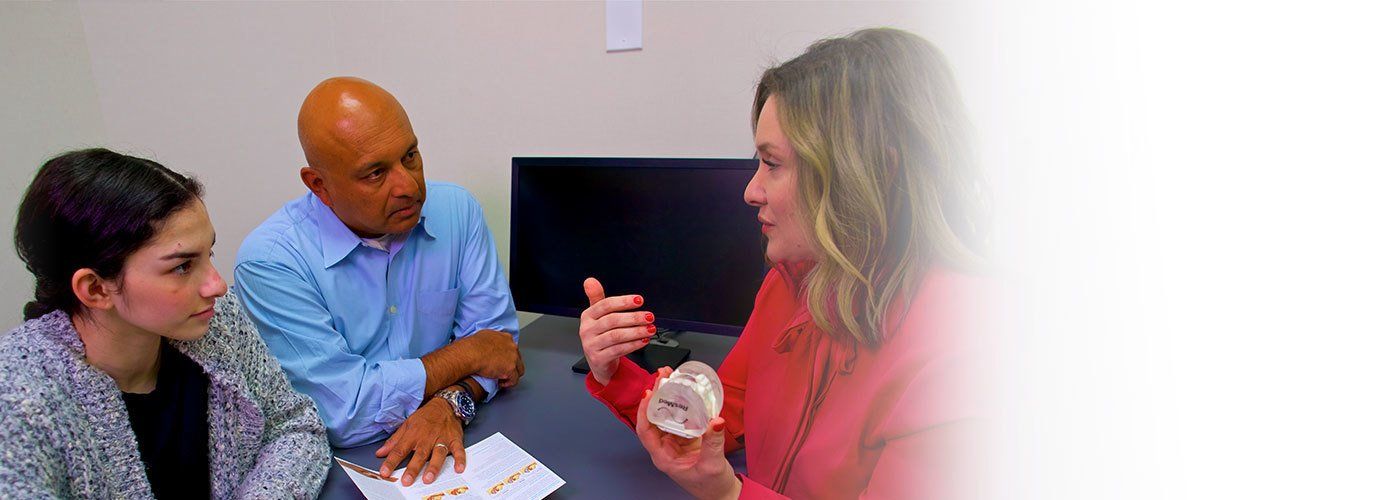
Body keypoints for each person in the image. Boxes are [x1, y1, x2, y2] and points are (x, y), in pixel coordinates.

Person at [577, 28, 987, 499]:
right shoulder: (791, 284)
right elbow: (715, 422)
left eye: (773, 164)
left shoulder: (964, 350)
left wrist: (730, 493)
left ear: (875, 172)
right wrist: (615, 371)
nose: (750, 191)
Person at [235, 77, 523, 486]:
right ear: (319, 185)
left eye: (410, 156)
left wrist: (449, 402)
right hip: (345, 469)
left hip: (459, 442)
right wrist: (467, 355)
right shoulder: (272, 262)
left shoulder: (457, 210)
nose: (408, 186)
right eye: (375, 173)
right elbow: (343, 413)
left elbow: (500, 350)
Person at [0, 149, 331, 498]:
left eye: (209, 254)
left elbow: (293, 425)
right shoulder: (19, 396)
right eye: (183, 267)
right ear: (95, 288)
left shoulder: (216, 321)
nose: (217, 286)